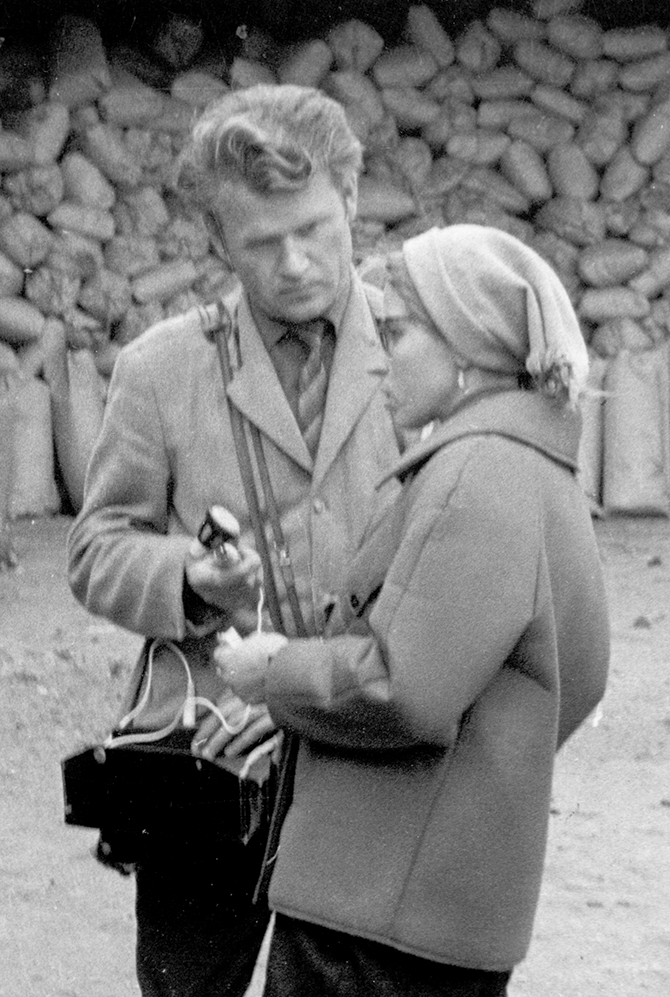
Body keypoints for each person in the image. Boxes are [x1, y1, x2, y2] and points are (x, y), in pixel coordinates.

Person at [66, 84, 403, 997]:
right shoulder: (161, 368)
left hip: (374, 750)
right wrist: (188, 575)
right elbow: (96, 549)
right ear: (217, 240)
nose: (294, 263)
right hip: (213, 757)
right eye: (261, 242)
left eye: (315, 230)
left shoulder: (424, 351)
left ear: (352, 201)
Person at [214, 224, 611, 997]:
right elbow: (578, 677)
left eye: (397, 333)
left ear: (468, 346)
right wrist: (483, 774)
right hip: (440, 910)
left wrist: (276, 671)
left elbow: (407, 688)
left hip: (374, 915)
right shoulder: (538, 469)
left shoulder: (478, 470)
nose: (378, 355)